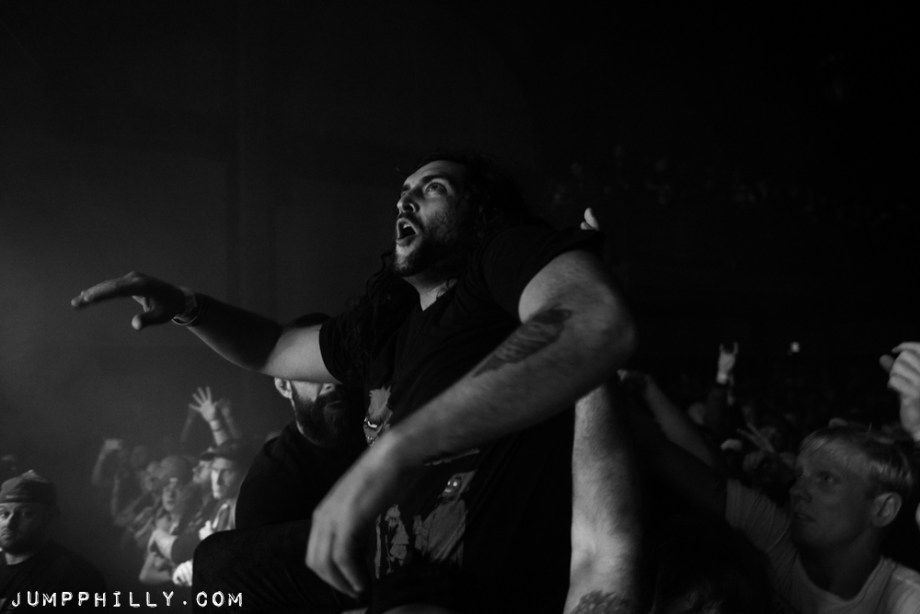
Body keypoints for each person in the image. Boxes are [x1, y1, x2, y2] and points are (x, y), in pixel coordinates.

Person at [72, 151, 637, 613]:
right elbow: (271, 346)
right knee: (220, 567)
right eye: (403, 193)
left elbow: (590, 319)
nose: (406, 200)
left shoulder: (500, 261)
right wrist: (187, 306)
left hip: (467, 581)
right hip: (388, 566)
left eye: (433, 188)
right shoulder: (385, 329)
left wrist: (395, 450)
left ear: (480, 210)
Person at [0, 471, 107, 613]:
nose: (9, 523)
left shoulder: (76, 577)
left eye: (26, 513)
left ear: (50, 517)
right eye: (4, 513)